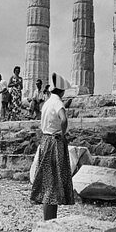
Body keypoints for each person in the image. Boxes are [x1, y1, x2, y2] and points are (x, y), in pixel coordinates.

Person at [30, 72, 75, 221]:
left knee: (47, 182)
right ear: (62, 91)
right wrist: (63, 134)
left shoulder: (47, 103)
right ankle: (50, 221)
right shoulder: (58, 103)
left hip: (45, 140)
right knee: (54, 182)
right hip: (55, 142)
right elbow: (64, 119)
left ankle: (47, 220)